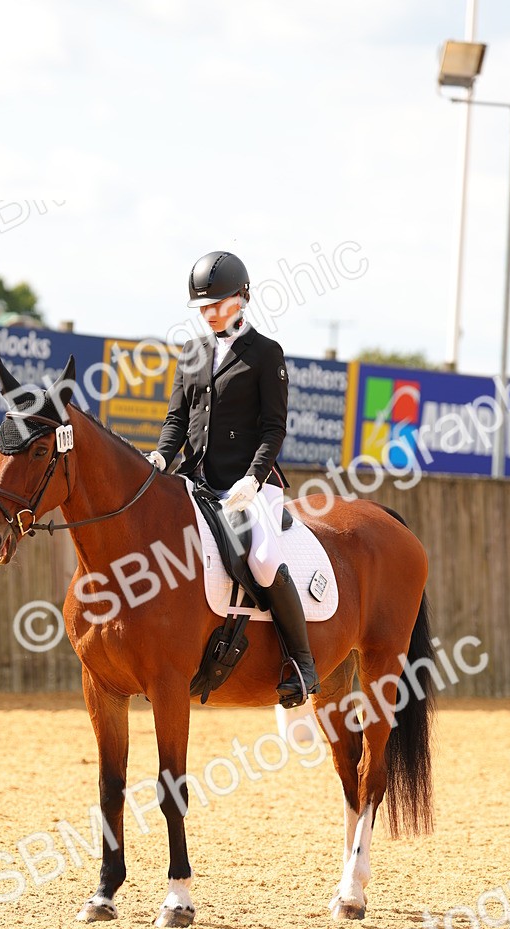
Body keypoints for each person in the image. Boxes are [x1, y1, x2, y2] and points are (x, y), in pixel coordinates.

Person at [147, 250, 317, 705]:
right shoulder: (193, 352)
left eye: (217, 304)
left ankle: (301, 663)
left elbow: (273, 428)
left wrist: (253, 478)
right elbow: (176, 420)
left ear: (242, 298)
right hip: (197, 481)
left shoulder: (265, 354)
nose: (209, 313)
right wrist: (162, 458)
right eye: (203, 306)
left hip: (248, 487)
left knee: (262, 559)